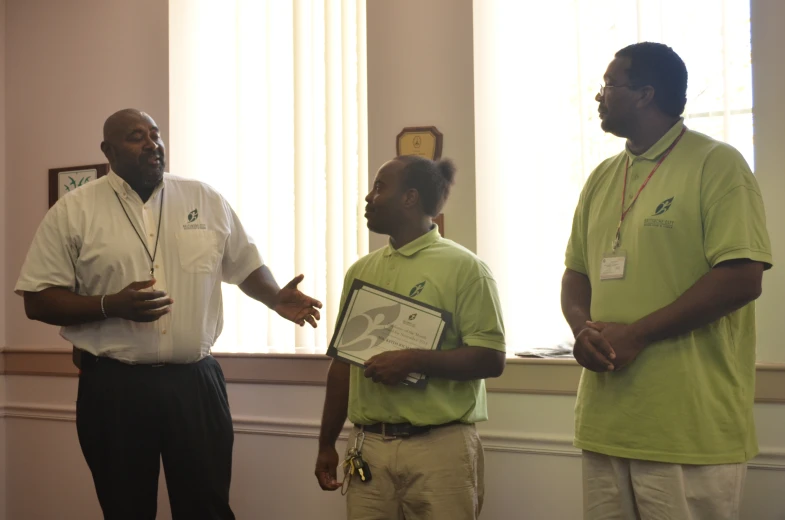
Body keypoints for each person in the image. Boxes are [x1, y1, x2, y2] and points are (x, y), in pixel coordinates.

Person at [16, 109, 323, 520]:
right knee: (126, 507)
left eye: (155, 135)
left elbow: (244, 264)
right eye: (135, 136)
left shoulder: (204, 198)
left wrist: (273, 297)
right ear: (108, 151)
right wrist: (110, 305)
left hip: (195, 383)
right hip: (113, 387)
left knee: (207, 506)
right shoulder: (73, 210)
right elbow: (37, 300)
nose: (151, 144)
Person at [561, 42, 773, 520]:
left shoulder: (718, 165)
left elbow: (742, 278)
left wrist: (637, 334)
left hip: (688, 428)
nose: (599, 97)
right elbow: (575, 273)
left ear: (645, 94)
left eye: (609, 85)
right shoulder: (600, 177)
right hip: (606, 425)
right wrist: (581, 330)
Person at [314, 155, 506, 519]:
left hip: (440, 449)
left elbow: (490, 358)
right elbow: (342, 365)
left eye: (379, 188)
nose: (369, 198)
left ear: (410, 198)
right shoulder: (361, 271)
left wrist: (415, 361)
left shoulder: (467, 269)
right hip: (368, 446)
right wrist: (326, 443)